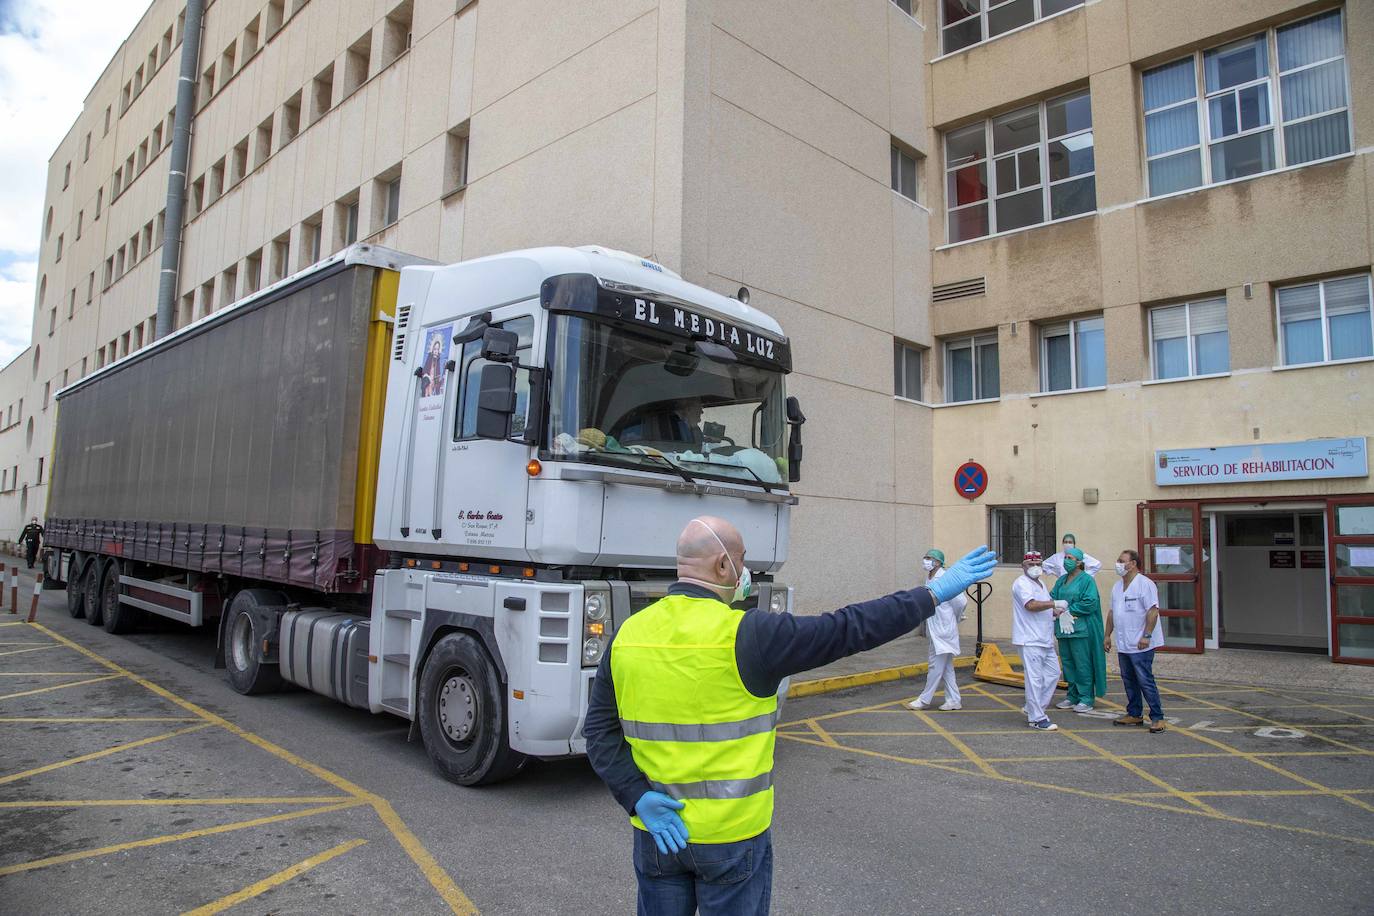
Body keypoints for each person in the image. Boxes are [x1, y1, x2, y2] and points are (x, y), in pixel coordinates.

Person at [583, 516, 996, 914]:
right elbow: (849, 628)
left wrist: (636, 797)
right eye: (742, 560)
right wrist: (933, 594)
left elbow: (599, 731)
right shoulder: (753, 634)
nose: (744, 571)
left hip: (659, 836)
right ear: (724, 565)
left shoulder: (628, 634)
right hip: (732, 839)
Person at [1105, 549, 1166, 733]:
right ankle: (1134, 713)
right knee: (1129, 679)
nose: (1118, 564)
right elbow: (1112, 613)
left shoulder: (1144, 584)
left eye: (1121, 560)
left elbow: (1153, 611)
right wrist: (1107, 635)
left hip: (1141, 643)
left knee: (1145, 679)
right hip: (1124, 643)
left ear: (1133, 564)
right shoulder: (1117, 587)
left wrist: (1146, 636)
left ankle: (1157, 717)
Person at [906, 548, 967, 711]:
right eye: (925, 557)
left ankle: (925, 699)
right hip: (937, 628)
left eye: (930, 558)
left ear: (939, 562)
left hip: (944, 629)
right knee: (946, 667)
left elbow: (961, 601)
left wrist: (955, 618)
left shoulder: (945, 578)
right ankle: (954, 700)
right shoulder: (930, 577)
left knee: (935, 665)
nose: (926, 560)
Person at [1011, 550, 1064, 731]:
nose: (1035, 567)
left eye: (1038, 564)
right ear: (1023, 566)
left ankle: (1033, 707)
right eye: (1030, 564)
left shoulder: (1041, 583)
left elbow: (1046, 606)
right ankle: (1037, 718)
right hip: (1029, 639)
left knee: (1053, 673)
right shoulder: (1021, 584)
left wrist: (1058, 612)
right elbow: (1031, 605)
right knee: (1034, 679)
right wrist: (1054, 604)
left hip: (1044, 638)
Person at [1050, 547, 1107, 712]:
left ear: (1079, 562)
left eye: (1070, 558)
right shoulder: (1061, 580)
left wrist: (1070, 610)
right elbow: (1052, 597)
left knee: (1082, 664)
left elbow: (1090, 602)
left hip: (1080, 630)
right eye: (1065, 557)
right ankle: (1072, 695)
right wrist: (1054, 608)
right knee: (1068, 663)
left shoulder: (1087, 580)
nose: (1066, 560)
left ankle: (1086, 698)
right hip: (1063, 629)